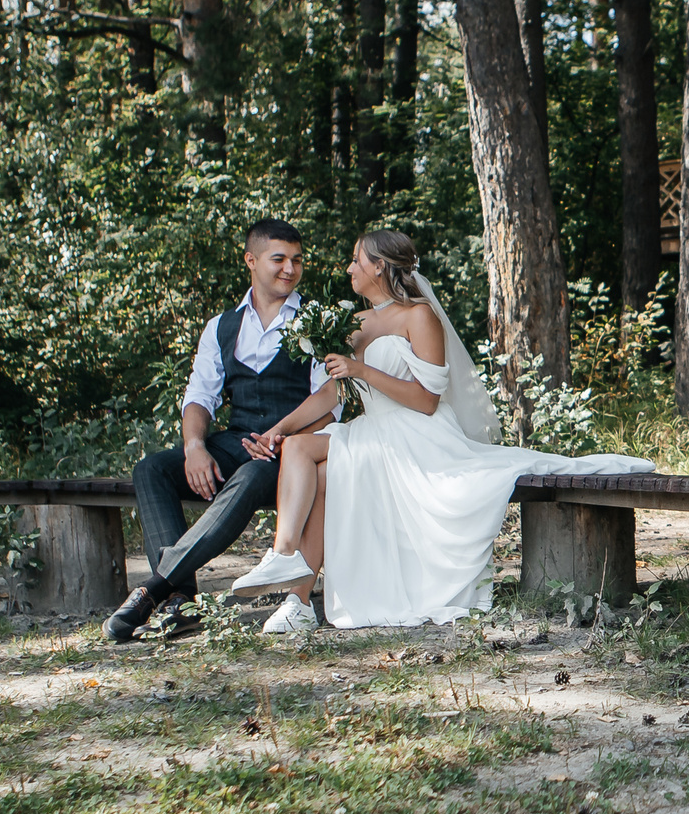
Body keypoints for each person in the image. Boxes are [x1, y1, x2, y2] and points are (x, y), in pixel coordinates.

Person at [223, 229, 653, 631]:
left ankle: (291, 581)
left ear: (379, 267)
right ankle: (291, 585)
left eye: (356, 261)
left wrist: (362, 370)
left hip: (417, 433)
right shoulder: (357, 322)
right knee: (299, 449)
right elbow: (332, 394)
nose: (349, 269)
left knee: (315, 465)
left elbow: (427, 400)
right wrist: (276, 429)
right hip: (373, 430)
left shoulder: (419, 316)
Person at [104, 218, 332, 642]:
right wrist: (194, 446)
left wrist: (284, 437)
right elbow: (199, 397)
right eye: (278, 259)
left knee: (249, 475)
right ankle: (182, 603)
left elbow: (328, 405)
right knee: (152, 469)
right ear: (251, 260)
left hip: (289, 452)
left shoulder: (317, 322)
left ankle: (155, 589)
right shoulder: (222, 326)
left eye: (297, 261)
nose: (290, 269)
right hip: (236, 439)